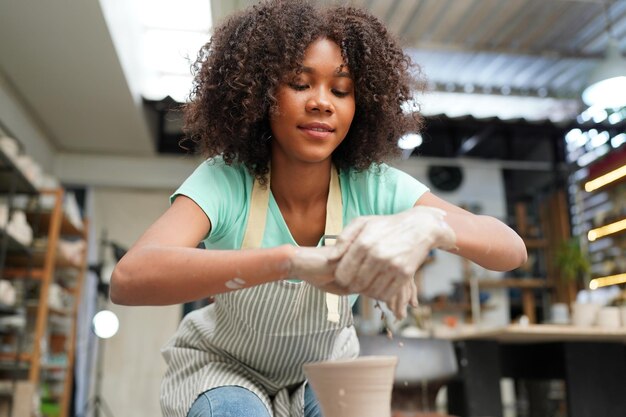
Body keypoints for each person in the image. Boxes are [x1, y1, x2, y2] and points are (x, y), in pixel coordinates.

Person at [110, 1, 527, 416]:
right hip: (224, 369)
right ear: (259, 95)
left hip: (324, 369)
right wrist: (290, 261)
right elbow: (130, 278)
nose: (322, 103)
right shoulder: (226, 180)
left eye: (341, 90)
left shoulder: (373, 185)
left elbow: (510, 249)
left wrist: (428, 226)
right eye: (300, 83)